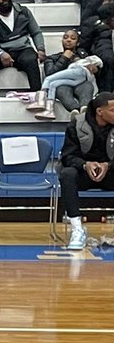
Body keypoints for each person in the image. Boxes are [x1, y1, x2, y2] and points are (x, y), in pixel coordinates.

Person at [58, 92, 114, 249]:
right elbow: (67, 157)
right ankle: (77, 229)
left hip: (109, 172)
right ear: (100, 112)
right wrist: (85, 164)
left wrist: (108, 165)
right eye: (113, 110)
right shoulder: (76, 125)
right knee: (67, 173)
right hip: (84, 173)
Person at [0, 0, 46, 98]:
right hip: (1, 50)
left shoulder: (23, 11)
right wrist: (1, 53)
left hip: (23, 49)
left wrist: (40, 48)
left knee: (31, 59)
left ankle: (37, 96)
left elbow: (36, 32)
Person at [28, 54, 102, 116]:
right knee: (53, 84)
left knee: (48, 79)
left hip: (78, 71)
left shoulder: (83, 61)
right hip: (81, 78)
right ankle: (49, 110)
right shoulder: (55, 57)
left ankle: (41, 102)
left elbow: (97, 62)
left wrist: (90, 63)